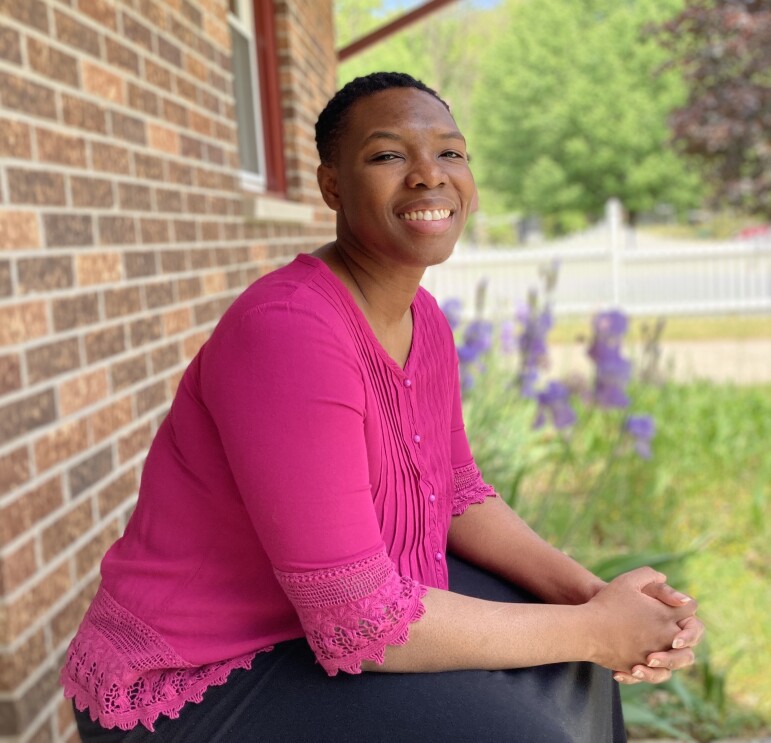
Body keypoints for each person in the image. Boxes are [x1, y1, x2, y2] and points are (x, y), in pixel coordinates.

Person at [61, 72, 703, 742]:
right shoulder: (287, 331)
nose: (429, 175)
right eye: (388, 155)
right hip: (205, 670)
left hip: (338, 616)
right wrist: (595, 630)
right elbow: (356, 622)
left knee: (574, 668)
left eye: (450, 153)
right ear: (331, 185)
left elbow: (458, 493)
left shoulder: (423, 319)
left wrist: (595, 598)